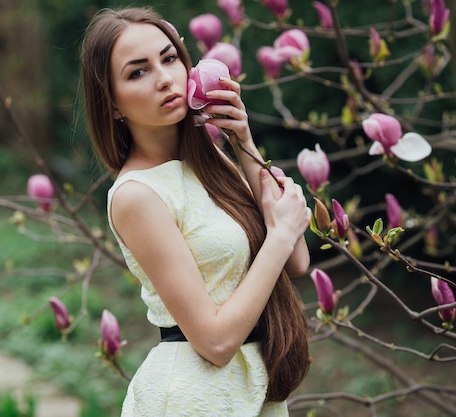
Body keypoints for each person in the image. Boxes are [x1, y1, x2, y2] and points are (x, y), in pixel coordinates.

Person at [81, 7, 311, 416]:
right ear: (113, 104)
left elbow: (296, 260)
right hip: (193, 397)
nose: (165, 79)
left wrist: (243, 140)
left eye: (169, 59)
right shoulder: (138, 195)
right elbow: (216, 343)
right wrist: (278, 235)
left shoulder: (212, 161)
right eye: (138, 72)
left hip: (253, 390)